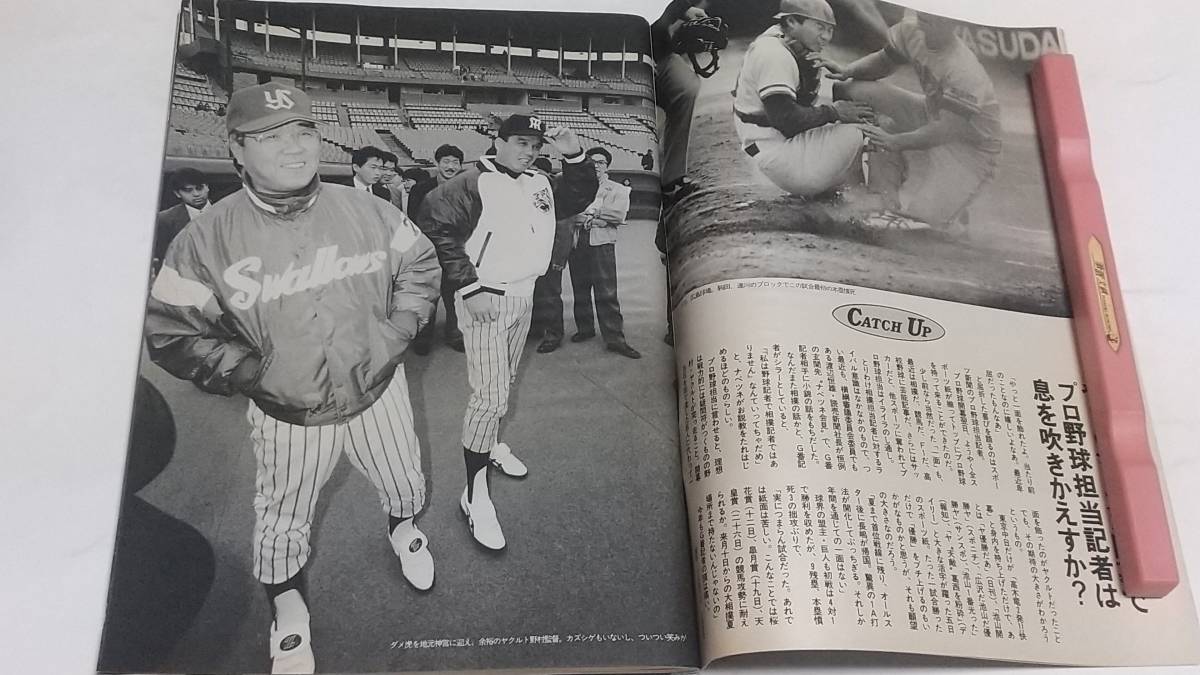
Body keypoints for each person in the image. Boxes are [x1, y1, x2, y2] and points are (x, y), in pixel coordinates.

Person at [144, 83, 441, 675]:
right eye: (271, 136)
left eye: (303, 130)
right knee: (283, 516)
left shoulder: (369, 208)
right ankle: (288, 609)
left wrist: (400, 327)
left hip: (377, 389)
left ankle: (405, 530)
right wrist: (253, 372)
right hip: (290, 412)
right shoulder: (203, 238)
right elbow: (170, 332)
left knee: (405, 479)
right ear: (236, 148)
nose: (295, 147)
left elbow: (420, 262)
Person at [418, 114, 597, 550]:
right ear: (497, 141)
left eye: (535, 144)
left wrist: (573, 153)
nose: (529, 150)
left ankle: (491, 444)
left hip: (524, 294)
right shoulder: (472, 180)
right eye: (520, 142)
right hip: (485, 297)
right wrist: (468, 284)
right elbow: (434, 227)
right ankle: (474, 494)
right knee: (490, 396)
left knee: (504, 382)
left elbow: (577, 196)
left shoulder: (539, 179)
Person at [824, 11, 1002, 235]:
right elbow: (884, 62)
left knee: (919, 229)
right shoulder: (911, 30)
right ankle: (875, 194)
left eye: (940, 17)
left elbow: (947, 130)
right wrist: (848, 69)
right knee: (851, 88)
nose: (930, 19)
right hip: (930, 115)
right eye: (927, 14)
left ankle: (953, 214)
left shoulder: (965, 70)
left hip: (969, 150)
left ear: (953, 23)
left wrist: (895, 141)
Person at [732, 0, 875, 198]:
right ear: (791, 21)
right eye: (819, 27)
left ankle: (846, 192)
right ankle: (874, 201)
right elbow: (786, 119)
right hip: (781, 157)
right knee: (866, 128)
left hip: (773, 149)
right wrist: (834, 111)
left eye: (830, 30)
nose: (826, 37)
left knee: (847, 101)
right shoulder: (774, 54)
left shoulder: (777, 39)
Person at [567, 147, 640, 359]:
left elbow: (618, 215)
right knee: (580, 290)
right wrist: (595, 218)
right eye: (592, 162)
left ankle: (615, 339)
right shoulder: (577, 189)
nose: (596, 166)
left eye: (601, 162)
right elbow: (572, 215)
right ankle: (585, 329)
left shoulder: (617, 189)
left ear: (607, 166)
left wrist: (593, 214)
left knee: (606, 292)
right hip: (578, 242)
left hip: (602, 244)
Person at [410, 143, 467, 354]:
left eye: (455, 162)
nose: (451, 166)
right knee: (428, 296)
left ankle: (455, 333)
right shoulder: (421, 188)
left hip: (456, 252)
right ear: (437, 163)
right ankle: (424, 337)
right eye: (446, 161)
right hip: (430, 252)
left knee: (455, 296)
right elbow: (415, 222)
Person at [529, 157, 572, 353]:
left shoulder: (556, 197)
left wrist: (559, 260)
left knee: (550, 295)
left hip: (549, 257)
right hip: (528, 256)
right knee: (533, 294)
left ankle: (554, 334)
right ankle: (536, 328)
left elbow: (564, 230)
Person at [152, 167, 211, 275]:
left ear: (207, 187)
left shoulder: (227, 212)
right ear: (177, 193)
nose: (196, 194)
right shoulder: (165, 220)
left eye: (199, 188)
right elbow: (162, 258)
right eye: (188, 190)